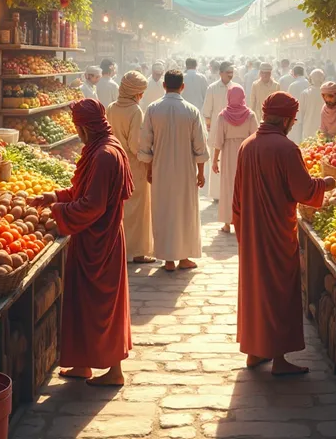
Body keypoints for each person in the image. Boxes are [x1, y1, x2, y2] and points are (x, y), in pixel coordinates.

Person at [233, 92, 335, 375]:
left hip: (253, 233)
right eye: (293, 119)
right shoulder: (287, 149)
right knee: (279, 292)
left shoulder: (247, 145)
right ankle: (279, 360)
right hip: (277, 234)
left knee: (256, 291)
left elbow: (237, 196)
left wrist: (242, 231)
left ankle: (255, 352)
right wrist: (324, 183)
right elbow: (303, 190)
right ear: (287, 119)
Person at [34, 99, 133, 386]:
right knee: (82, 303)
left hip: (101, 243)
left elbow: (92, 205)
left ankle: (114, 372)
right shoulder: (102, 147)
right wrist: (56, 197)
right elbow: (82, 190)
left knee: (103, 307)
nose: (76, 132)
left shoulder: (104, 155)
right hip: (93, 239)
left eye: (77, 127)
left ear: (86, 128)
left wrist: (58, 212)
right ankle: (82, 365)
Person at [138, 70, 209, 272]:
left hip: (160, 168)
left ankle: (168, 260)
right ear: (182, 86)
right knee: (184, 212)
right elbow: (200, 145)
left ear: (164, 85)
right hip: (186, 170)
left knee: (164, 211)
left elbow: (145, 144)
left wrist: (150, 169)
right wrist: (201, 172)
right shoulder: (191, 111)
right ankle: (183, 257)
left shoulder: (152, 109)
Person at [106, 71, 155, 264]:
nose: (142, 96)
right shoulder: (135, 111)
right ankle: (138, 252)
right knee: (138, 209)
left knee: (120, 207)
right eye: (140, 92)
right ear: (135, 93)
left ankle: (118, 249)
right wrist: (150, 157)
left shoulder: (111, 107)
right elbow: (136, 145)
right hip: (133, 165)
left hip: (115, 162)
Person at [213, 86, 257, 233]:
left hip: (228, 154)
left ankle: (227, 223)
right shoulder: (250, 115)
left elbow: (218, 140)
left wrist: (215, 160)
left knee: (228, 188)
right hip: (246, 153)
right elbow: (256, 137)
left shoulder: (222, 116)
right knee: (245, 187)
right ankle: (245, 222)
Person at [203, 61, 238, 202]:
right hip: (216, 130)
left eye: (232, 72)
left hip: (233, 131)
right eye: (228, 72)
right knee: (216, 161)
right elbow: (207, 111)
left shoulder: (236, 88)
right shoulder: (212, 88)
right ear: (221, 73)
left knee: (231, 162)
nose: (230, 75)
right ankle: (217, 194)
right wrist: (209, 129)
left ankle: (231, 192)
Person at [298, 69, 325, 141]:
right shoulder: (327, 93)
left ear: (310, 79)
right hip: (323, 127)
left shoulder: (305, 93)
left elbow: (300, 113)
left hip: (308, 127)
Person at [288, 65, 310, 143]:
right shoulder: (308, 83)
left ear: (294, 73)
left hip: (296, 114)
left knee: (297, 137)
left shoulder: (293, 85)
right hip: (308, 112)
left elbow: (290, 101)